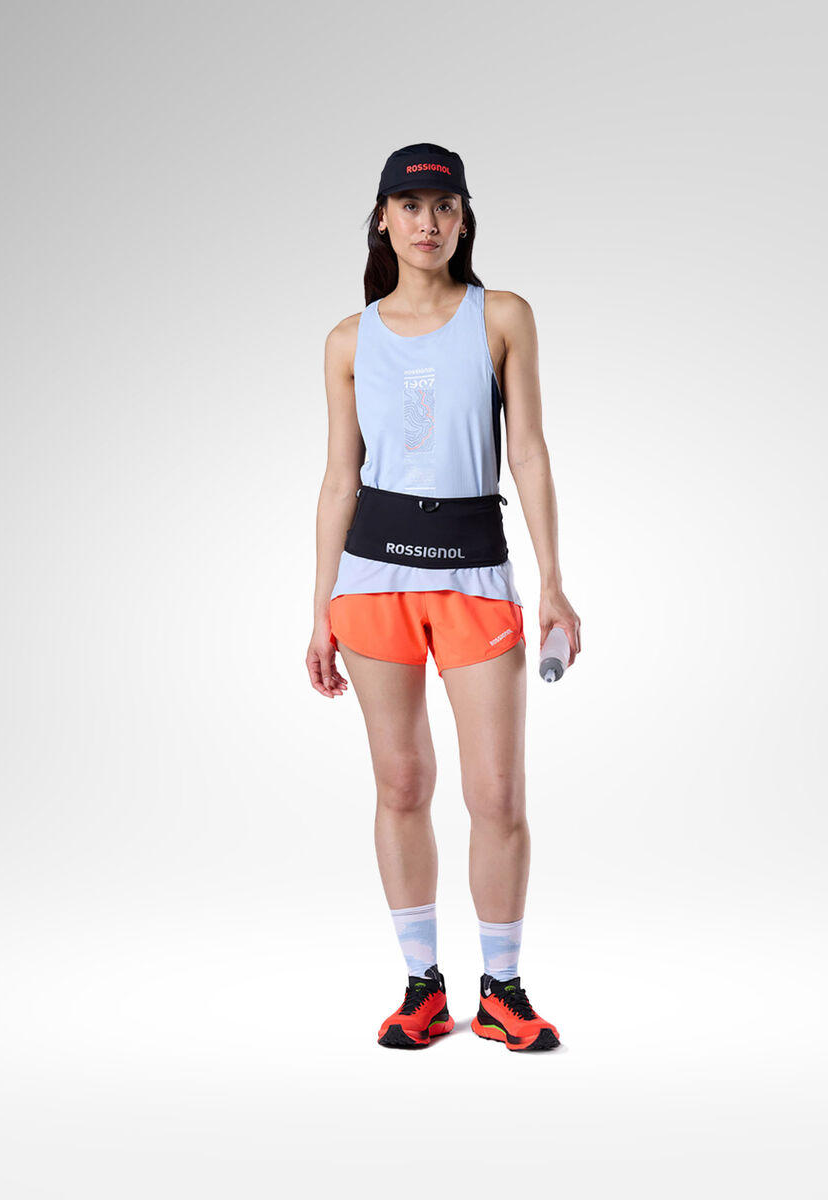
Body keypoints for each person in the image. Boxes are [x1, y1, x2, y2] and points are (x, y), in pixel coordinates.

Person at [307, 143, 581, 1052]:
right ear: (383, 218)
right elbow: (339, 478)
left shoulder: (501, 316)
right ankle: (423, 985)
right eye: (410, 206)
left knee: (496, 792)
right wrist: (318, 610)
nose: (428, 223)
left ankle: (501, 990)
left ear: (463, 219)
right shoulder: (348, 340)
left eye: (445, 206)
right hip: (373, 580)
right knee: (401, 783)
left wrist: (553, 582)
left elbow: (528, 451)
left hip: (472, 572)